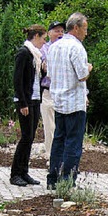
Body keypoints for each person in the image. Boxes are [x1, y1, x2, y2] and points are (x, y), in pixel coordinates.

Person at [46, 12, 92, 189]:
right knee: (73, 142)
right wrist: (89, 68)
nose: (86, 33)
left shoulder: (54, 47)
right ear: (76, 28)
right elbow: (82, 75)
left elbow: (49, 74)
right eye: (85, 28)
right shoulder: (76, 47)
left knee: (58, 141)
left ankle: (53, 179)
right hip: (74, 102)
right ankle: (67, 181)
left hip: (59, 100)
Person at [9, 24, 47, 187]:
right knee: (25, 137)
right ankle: (15, 173)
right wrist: (23, 102)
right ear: (36, 36)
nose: (44, 43)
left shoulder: (35, 56)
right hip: (25, 100)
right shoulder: (24, 53)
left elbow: (35, 78)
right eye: (44, 38)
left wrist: (44, 71)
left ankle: (24, 171)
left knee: (30, 137)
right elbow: (18, 80)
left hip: (35, 99)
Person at [40, 21, 65, 162]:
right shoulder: (44, 48)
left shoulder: (68, 48)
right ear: (49, 33)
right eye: (56, 31)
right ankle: (52, 156)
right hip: (48, 91)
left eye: (62, 31)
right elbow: (44, 67)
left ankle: (63, 156)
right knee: (50, 125)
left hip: (63, 92)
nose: (59, 33)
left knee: (63, 126)